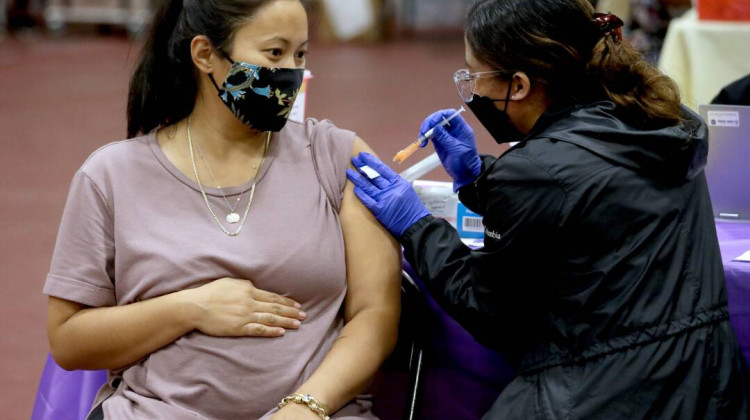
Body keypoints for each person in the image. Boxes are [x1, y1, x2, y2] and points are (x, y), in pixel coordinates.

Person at [347, 0, 749, 418]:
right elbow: (590, 208)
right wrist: (476, 179)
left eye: (475, 75)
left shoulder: (536, 171)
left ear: (519, 85)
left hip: (603, 394)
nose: (471, 92)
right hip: (707, 383)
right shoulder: (661, 120)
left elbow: (490, 314)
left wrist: (417, 226)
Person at [43, 1, 401, 419]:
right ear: (205, 55)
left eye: (300, 54)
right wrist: (191, 308)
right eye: (274, 53)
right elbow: (68, 341)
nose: (291, 72)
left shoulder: (338, 157)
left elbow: (375, 315)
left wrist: (305, 407)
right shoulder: (110, 176)